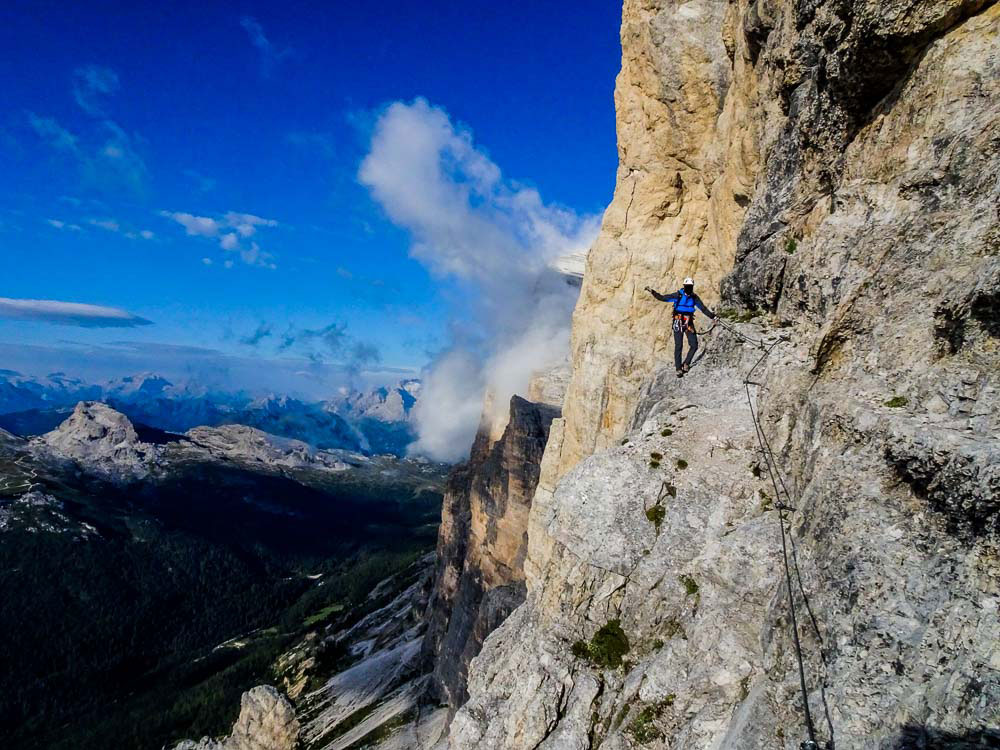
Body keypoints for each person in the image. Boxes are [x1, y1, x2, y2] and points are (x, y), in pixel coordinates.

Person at [645, 277, 716, 377]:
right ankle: (678, 368)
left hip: (688, 322)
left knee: (694, 344)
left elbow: (703, 308)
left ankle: (686, 363)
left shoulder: (694, 297)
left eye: (690, 286)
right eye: (687, 286)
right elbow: (662, 298)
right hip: (678, 322)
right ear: (684, 286)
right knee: (679, 345)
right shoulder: (678, 295)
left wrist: (713, 316)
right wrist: (652, 291)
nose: (689, 288)